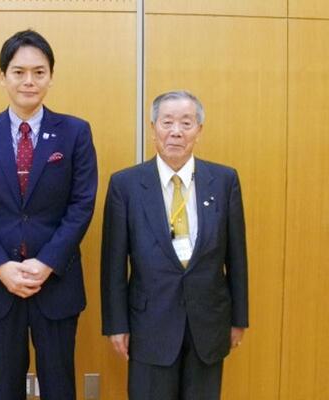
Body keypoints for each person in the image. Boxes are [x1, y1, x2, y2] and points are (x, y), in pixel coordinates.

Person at [0, 29, 97, 400]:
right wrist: (1, 267)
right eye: (18, 72)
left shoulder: (75, 132)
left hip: (56, 282)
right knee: (3, 388)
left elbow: (82, 204)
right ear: (2, 76)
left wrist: (47, 262)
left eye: (39, 72)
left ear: (51, 76)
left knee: (60, 387)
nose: (29, 81)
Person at [101, 90, 248, 399]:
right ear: (153, 128)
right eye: (167, 122)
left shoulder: (224, 181)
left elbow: (237, 257)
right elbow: (113, 264)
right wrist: (116, 324)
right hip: (149, 324)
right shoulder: (126, 185)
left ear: (199, 130)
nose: (176, 131)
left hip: (208, 323)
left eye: (186, 123)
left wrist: (239, 319)